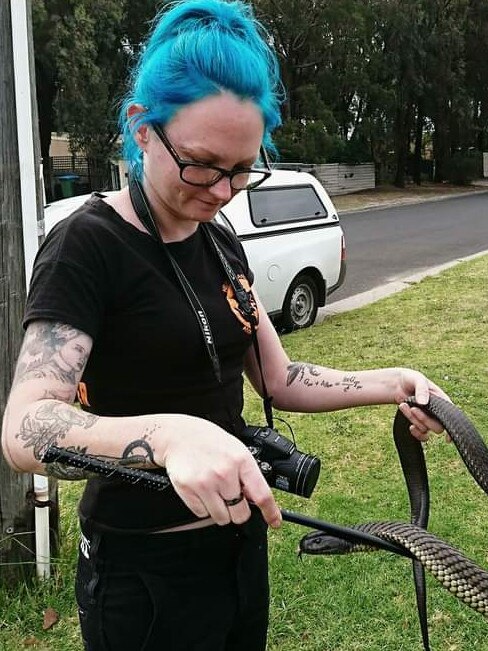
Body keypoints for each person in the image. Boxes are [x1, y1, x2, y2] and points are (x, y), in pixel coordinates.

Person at [1, 1, 449, 649]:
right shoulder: (87, 246)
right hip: (142, 575)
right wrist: (170, 437)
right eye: (203, 164)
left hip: (239, 550)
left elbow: (281, 375)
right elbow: (24, 427)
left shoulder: (220, 239)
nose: (221, 190)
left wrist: (395, 381)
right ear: (143, 128)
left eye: (242, 169)